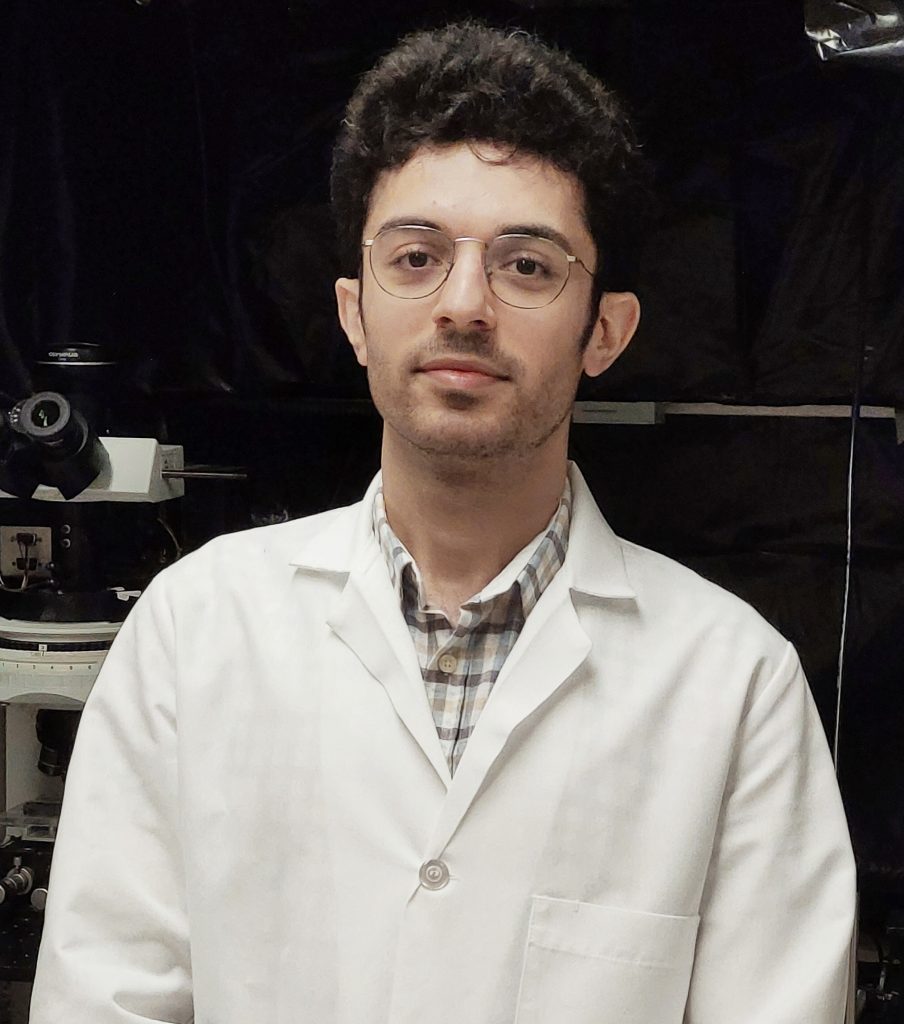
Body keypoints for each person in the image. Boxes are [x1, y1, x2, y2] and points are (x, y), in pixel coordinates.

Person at [31, 21, 855, 1024]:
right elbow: (103, 999)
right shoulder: (194, 629)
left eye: (527, 265)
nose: (464, 303)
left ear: (606, 329)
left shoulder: (734, 686)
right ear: (352, 310)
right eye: (416, 256)